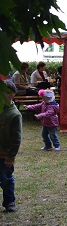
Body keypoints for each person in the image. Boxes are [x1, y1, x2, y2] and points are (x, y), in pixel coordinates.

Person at [0, 81, 22, 212]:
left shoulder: (14, 115)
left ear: (11, 95)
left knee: (6, 179)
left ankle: (9, 202)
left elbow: (16, 138)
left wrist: (11, 156)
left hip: (5, 155)